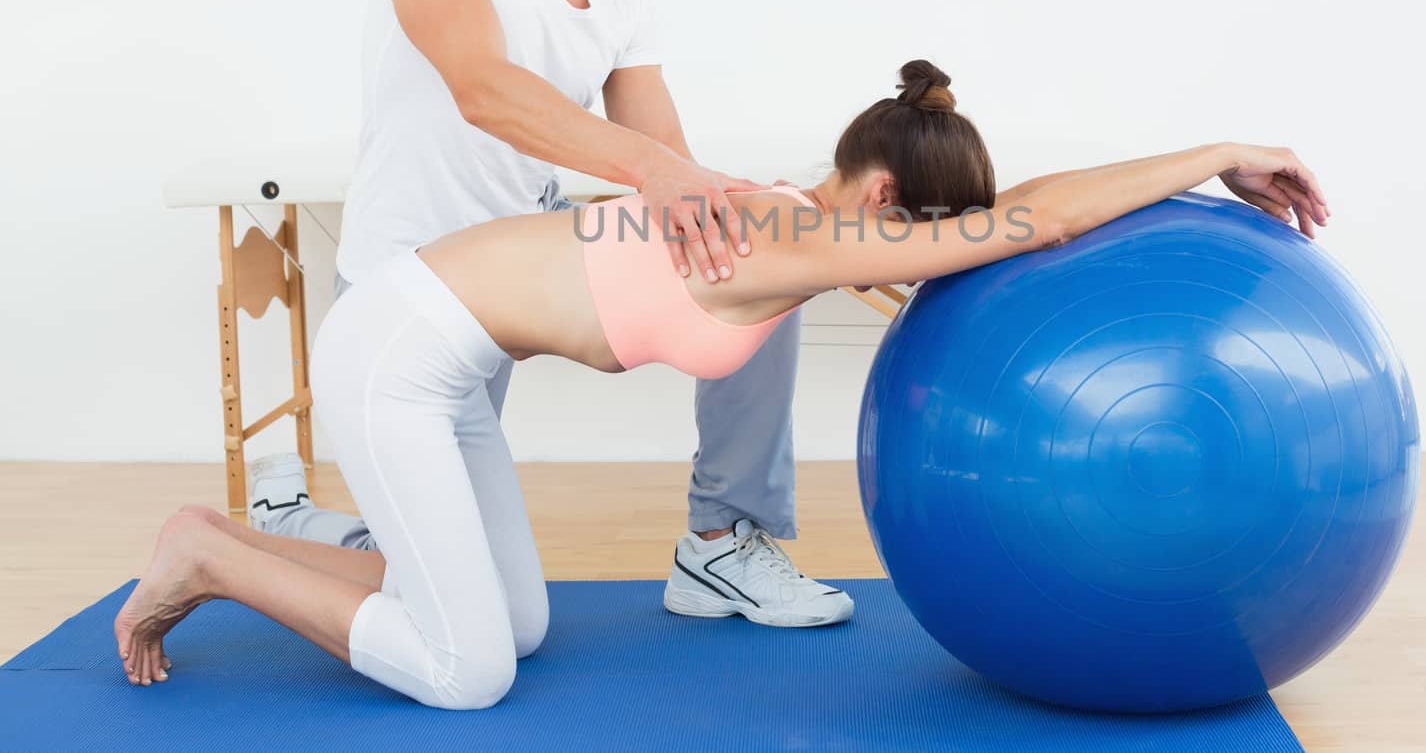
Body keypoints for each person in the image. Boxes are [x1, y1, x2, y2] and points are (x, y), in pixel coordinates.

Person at [113, 59, 1331, 708]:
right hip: (396, 351)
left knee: (520, 625)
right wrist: (1223, 149)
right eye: (929, 231)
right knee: (465, 670)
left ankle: (235, 536)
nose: (935, 251)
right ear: (885, 203)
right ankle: (210, 554)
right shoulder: (789, 235)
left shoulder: (792, 212)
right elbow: (1040, 218)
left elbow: (1023, 211)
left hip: (452, 357)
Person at [246, 0, 843, 627]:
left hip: (519, 284)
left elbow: (661, 151)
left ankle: (720, 541)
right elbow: (483, 89)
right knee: (452, 592)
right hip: (406, 284)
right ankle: (284, 520)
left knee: (762, 254)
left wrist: (763, 212)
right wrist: (656, 172)